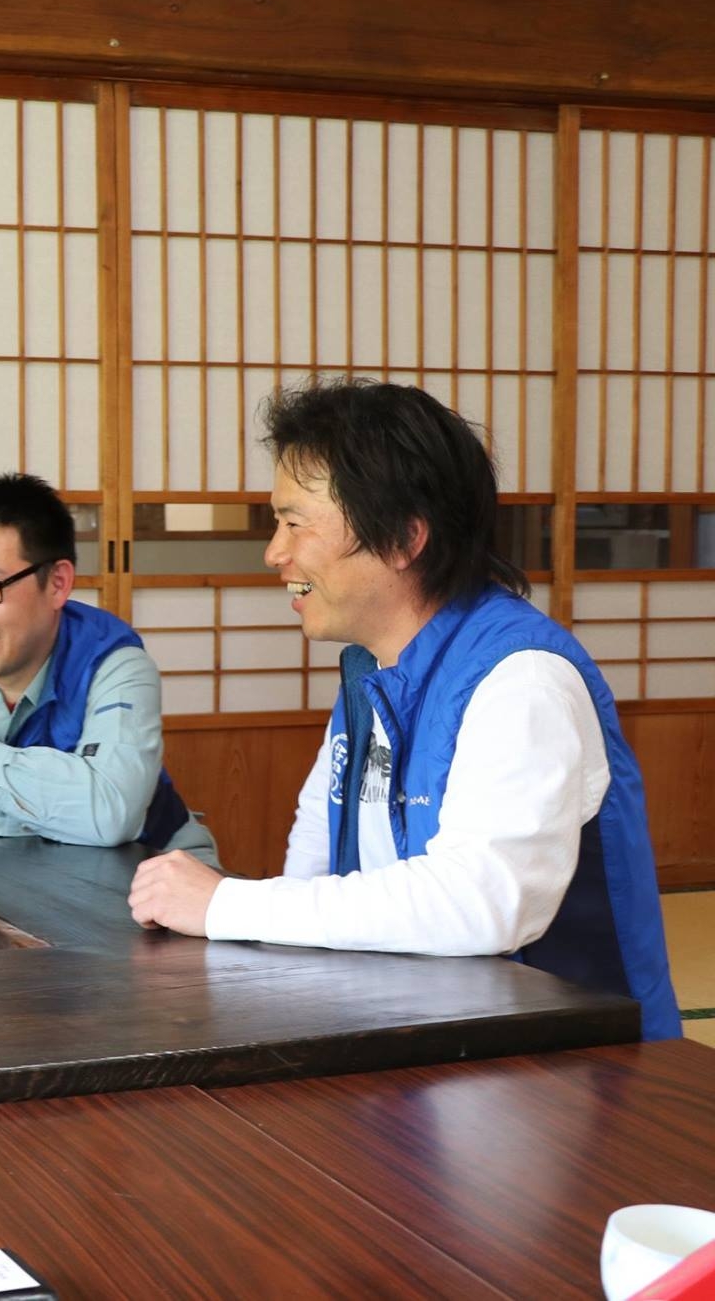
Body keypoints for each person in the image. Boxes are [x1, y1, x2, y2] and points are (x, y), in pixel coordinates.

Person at [127, 378, 681, 1041]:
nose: (274, 552)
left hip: (575, 1068)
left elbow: (485, 902)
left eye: (294, 523)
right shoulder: (370, 667)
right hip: (423, 1040)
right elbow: (315, 855)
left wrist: (226, 901)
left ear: (402, 538)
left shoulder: (521, 677)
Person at [0, 473, 216, 857]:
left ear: (57, 584)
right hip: (20, 872)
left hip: (157, 870)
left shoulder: (116, 663)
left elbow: (111, 816)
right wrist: (66, 814)